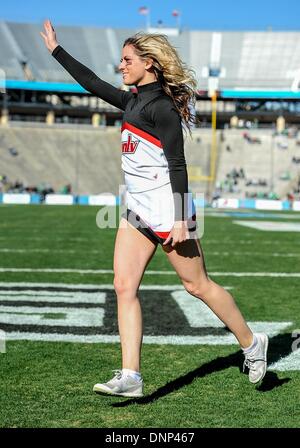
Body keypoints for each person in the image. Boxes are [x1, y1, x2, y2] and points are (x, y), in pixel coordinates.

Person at [40, 20, 269, 397]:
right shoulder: (132, 101)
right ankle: (131, 376)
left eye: (127, 59)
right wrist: (56, 50)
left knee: (197, 285)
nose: (122, 65)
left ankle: (251, 343)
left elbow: (178, 165)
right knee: (123, 285)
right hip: (137, 210)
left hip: (169, 210)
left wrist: (181, 218)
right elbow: (92, 82)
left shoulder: (162, 108)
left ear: (149, 62)